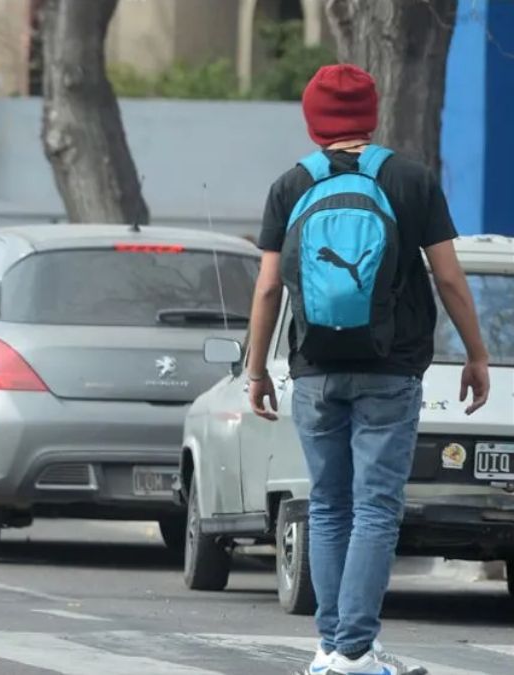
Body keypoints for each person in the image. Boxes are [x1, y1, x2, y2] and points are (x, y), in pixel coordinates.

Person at [247, 64, 490, 675]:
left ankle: (334, 648)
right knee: (376, 508)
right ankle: (353, 650)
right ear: (371, 116)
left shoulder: (290, 184)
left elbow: (268, 288)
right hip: (391, 367)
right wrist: (476, 354)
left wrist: (256, 369)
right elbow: (450, 279)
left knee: (328, 506)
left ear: (313, 120)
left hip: (314, 367)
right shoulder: (410, 179)